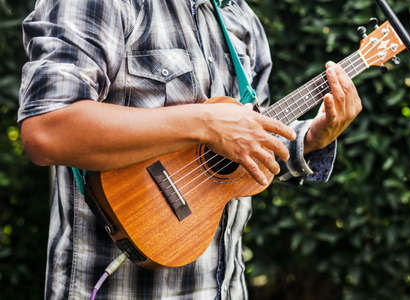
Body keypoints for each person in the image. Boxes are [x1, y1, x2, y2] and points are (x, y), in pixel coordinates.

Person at [18, 0, 362, 299]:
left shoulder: (239, 18)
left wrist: (313, 138)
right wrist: (204, 123)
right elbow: (48, 129)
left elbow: (240, 151)